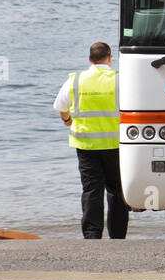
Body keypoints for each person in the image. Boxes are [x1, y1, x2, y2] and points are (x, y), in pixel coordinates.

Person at [53, 42, 127, 239]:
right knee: (117, 191)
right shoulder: (120, 80)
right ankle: (118, 236)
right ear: (110, 58)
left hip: (86, 145)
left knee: (91, 189)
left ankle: (92, 235)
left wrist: (67, 120)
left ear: (89, 60)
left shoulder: (76, 80)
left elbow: (60, 105)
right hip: (116, 145)